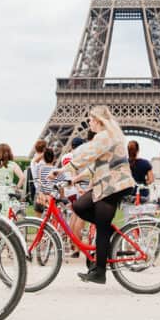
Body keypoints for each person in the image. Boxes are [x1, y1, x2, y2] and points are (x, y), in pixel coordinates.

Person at [54, 106, 134, 284]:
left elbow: (85, 154)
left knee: (101, 227)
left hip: (113, 186)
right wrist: (76, 178)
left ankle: (99, 271)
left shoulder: (104, 136)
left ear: (98, 120)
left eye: (90, 119)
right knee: (79, 206)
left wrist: (62, 169)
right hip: (108, 185)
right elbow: (97, 164)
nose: (88, 122)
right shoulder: (109, 136)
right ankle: (106, 239)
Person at [31, 147, 58, 213]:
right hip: (50, 198)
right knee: (50, 222)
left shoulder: (38, 168)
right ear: (54, 158)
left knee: (38, 222)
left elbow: (33, 161)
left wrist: (43, 154)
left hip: (39, 196)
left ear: (43, 158)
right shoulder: (56, 171)